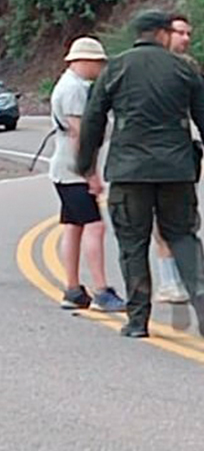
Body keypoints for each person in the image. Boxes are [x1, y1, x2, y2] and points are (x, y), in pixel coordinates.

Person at [76, 10, 204, 339]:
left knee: (133, 244)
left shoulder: (115, 68)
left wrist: (86, 165)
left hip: (129, 173)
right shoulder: (185, 69)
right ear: (163, 34)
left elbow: (93, 120)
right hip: (177, 170)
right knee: (182, 235)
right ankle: (200, 296)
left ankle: (137, 320)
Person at [49, 37, 126, 313]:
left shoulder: (74, 86)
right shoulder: (74, 90)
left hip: (65, 168)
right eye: (97, 62)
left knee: (73, 225)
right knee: (95, 225)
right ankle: (101, 290)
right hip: (73, 170)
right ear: (84, 62)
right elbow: (81, 135)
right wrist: (90, 173)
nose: (100, 68)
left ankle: (72, 288)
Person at [152, 14, 195, 304]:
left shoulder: (189, 68)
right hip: (152, 155)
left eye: (188, 33)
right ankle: (168, 281)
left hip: (180, 153)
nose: (185, 38)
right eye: (180, 32)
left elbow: (201, 109)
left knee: (182, 220)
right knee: (159, 221)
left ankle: (177, 278)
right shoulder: (148, 65)